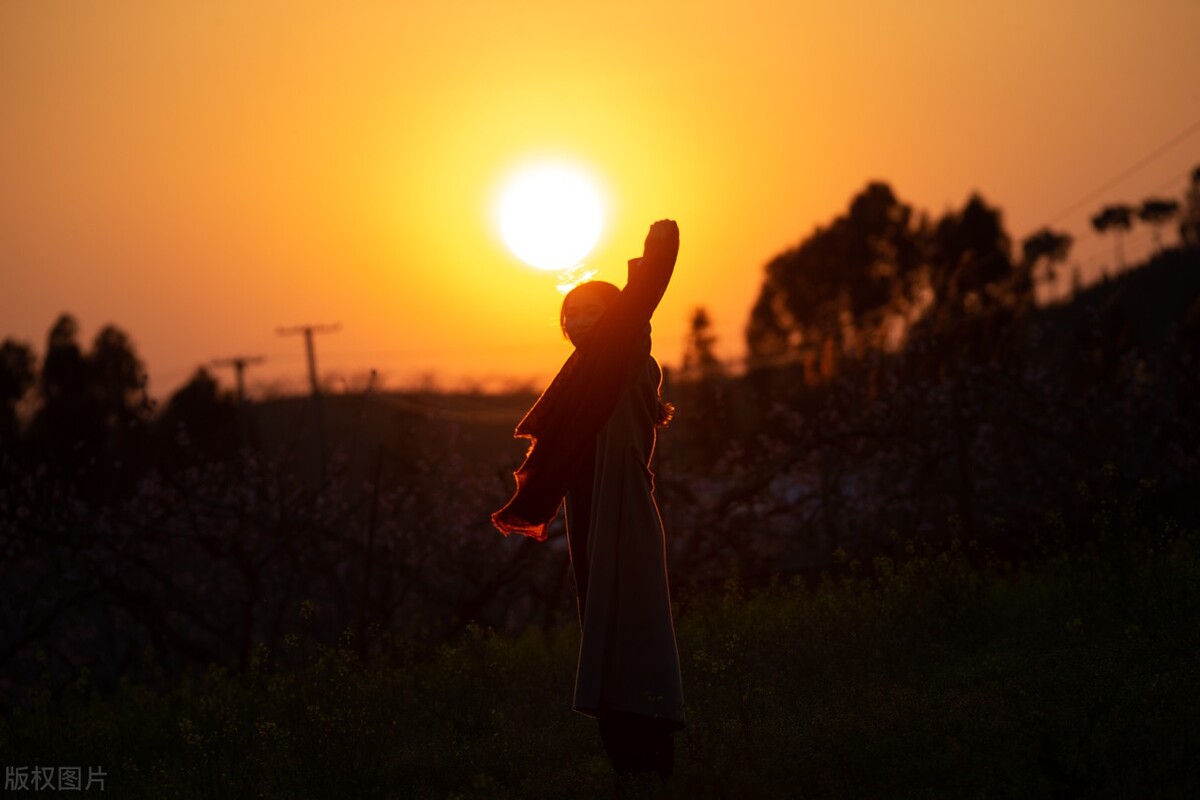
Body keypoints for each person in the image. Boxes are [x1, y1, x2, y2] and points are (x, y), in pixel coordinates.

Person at [492, 219, 685, 777]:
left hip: (622, 507)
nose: (578, 322)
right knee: (604, 621)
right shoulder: (580, 379)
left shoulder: (622, 359)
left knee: (634, 622)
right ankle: (627, 752)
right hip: (590, 512)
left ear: (618, 319)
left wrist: (656, 256)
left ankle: (650, 746)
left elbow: (638, 306)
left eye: (592, 312)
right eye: (570, 315)